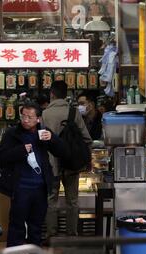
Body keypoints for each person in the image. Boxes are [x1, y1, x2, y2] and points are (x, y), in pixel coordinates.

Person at [0, 101, 66, 254]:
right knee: (17, 225)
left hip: (40, 186)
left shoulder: (44, 133)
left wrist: (53, 139)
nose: (25, 120)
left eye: (29, 117)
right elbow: (1, 156)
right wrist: (21, 150)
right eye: (23, 116)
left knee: (36, 225)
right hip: (20, 187)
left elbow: (63, 151)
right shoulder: (12, 133)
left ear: (38, 118)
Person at [42, 81, 92, 239]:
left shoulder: (45, 114)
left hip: (51, 164)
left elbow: (42, 140)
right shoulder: (73, 112)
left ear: (52, 94)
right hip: (71, 163)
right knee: (72, 200)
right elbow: (86, 138)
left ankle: (51, 233)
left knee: (51, 200)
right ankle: (72, 233)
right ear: (66, 95)